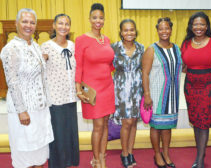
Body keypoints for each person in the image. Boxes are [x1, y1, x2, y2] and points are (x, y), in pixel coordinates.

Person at [0, 8, 54, 168]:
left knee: (39, 154)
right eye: (24, 21)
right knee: (25, 154)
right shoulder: (11, 49)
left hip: (40, 110)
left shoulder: (36, 46)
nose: (28, 25)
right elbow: (12, 82)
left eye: (32, 22)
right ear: (17, 23)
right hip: (24, 112)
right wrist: (21, 110)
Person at [181, 12, 211, 168]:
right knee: (195, 121)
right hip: (190, 86)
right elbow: (184, 66)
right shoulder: (185, 43)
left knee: (204, 122)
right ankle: (200, 152)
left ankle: (199, 160)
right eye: (195, 24)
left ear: (207, 26)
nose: (198, 27)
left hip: (209, 86)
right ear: (191, 26)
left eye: (202, 24)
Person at [75, 3, 115, 168]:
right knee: (98, 126)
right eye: (94, 17)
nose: (98, 21)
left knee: (105, 123)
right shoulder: (81, 39)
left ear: (104, 19)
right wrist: (78, 89)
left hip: (107, 87)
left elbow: (109, 64)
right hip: (93, 90)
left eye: (101, 17)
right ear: (90, 19)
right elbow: (79, 66)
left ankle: (102, 156)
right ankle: (97, 159)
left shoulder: (106, 39)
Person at [142, 17, 182, 168]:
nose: (164, 31)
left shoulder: (177, 48)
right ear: (157, 30)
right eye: (161, 28)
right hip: (157, 95)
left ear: (171, 30)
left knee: (168, 126)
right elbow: (144, 73)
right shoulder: (152, 49)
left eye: (167, 28)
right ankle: (157, 154)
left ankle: (166, 153)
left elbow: (181, 67)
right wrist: (147, 95)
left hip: (172, 95)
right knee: (157, 126)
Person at [41, 14, 79, 168]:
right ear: (54, 26)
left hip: (70, 97)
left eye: (67, 24)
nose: (64, 26)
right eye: (60, 23)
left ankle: (69, 163)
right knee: (58, 136)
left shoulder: (73, 45)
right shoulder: (46, 46)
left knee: (70, 134)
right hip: (55, 98)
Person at [111, 19, 144, 168]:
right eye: (126, 30)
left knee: (134, 122)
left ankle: (130, 152)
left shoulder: (141, 48)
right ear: (121, 32)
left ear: (136, 32)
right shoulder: (114, 48)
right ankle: (124, 153)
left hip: (137, 90)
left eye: (132, 30)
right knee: (126, 122)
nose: (129, 33)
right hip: (121, 90)